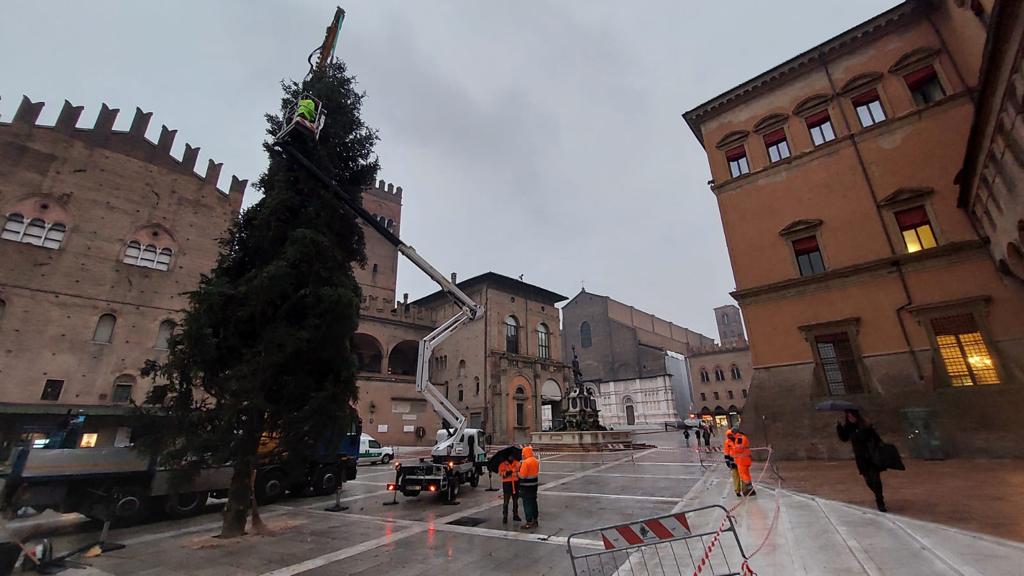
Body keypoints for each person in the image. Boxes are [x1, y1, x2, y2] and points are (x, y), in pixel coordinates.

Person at [837, 409, 887, 512]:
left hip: (871, 456)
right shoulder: (849, 428)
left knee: (876, 479)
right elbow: (844, 438)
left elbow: (877, 439)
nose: (851, 418)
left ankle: (880, 501)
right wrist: (839, 428)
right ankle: (878, 494)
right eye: (848, 417)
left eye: (852, 416)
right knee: (868, 480)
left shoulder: (865, 426)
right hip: (860, 458)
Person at [518, 445, 540, 529]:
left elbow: (522, 476)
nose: (523, 455)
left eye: (523, 453)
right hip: (534, 485)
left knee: (527, 504)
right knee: (534, 502)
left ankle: (529, 522)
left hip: (526, 487)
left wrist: (517, 472)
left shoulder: (526, 462)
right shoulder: (535, 461)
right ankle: (535, 520)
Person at [498, 451, 522, 524]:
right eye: (510, 456)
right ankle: (505, 516)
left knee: (515, 501)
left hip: (515, 484)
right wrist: (508, 472)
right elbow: (501, 473)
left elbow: (520, 472)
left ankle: (515, 515)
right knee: (506, 502)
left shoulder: (517, 463)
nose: (511, 457)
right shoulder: (502, 464)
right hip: (507, 484)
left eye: (512, 455)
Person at [732, 428, 755, 496]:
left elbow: (739, 449)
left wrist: (733, 447)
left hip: (742, 461)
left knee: (744, 476)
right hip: (744, 460)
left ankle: (748, 491)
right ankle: (750, 490)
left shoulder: (739, 438)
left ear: (734, 433)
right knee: (747, 475)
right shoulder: (742, 437)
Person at [723, 429, 741, 497]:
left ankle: (744, 490)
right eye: (729, 435)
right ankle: (737, 491)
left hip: (740, 461)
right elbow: (726, 452)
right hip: (733, 462)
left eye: (731, 435)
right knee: (735, 477)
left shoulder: (738, 440)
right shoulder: (727, 442)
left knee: (742, 476)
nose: (730, 436)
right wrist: (727, 462)